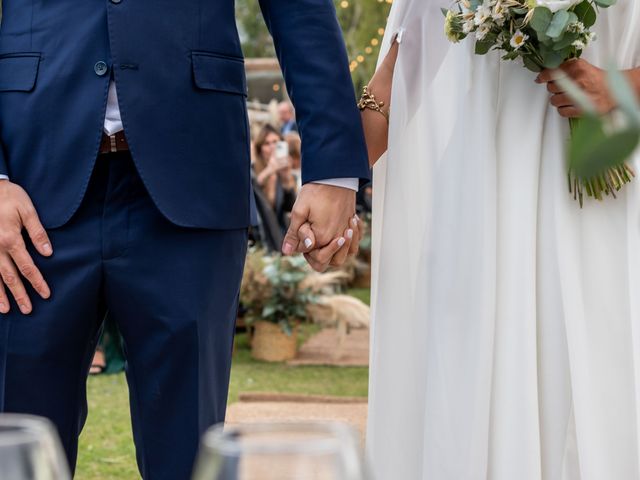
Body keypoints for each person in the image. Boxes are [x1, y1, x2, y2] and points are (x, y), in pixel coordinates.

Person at [0, 1, 369, 478]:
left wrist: (333, 170)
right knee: (14, 449)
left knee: (190, 456)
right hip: (26, 188)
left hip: (194, 180)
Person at [365, 1, 640, 479]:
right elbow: (401, 73)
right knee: (470, 389)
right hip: (477, 205)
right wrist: (332, 183)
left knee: (597, 379)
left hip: (604, 196)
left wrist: (622, 87)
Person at [253, 124, 298, 233]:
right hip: (260, 235)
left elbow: (290, 208)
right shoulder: (252, 170)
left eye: (275, 142)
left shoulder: (287, 172)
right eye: (267, 143)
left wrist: (286, 180)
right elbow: (253, 200)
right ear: (260, 149)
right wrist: (269, 171)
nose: (272, 147)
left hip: (280, 234)